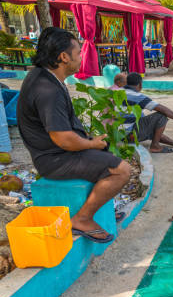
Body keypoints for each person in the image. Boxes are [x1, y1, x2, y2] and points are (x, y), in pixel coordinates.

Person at [17, 27, 131, 243]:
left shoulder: (45, 78)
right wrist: (92, 145)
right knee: (122, 171)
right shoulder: (47, 90)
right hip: (55, 159)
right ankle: (83, 219)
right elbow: (64, 139)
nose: (81, 57)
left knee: (106, 154)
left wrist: (92, 142)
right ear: (63, 57)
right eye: (78, 52)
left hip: (57, 153)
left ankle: (99, 212)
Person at [123, 73, 173, 153]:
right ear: (140, 84)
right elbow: (163, 109)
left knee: (150, 125)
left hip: (118, 135)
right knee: (161, 116)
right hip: (128, 135)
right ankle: (155, 146)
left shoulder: (117, 92)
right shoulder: (137, 96)